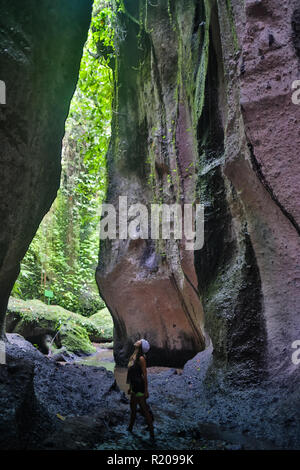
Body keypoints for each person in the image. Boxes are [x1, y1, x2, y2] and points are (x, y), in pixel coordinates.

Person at [126, 338, 154, 440]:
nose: (138, 340)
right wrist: (129, 387)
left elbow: (145, 375)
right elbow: (130, 373)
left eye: (140, 341)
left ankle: (152, 433)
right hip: (134, 386)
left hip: (140, 387)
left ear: (141, 346)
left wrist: (146, 390)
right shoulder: (133, 356)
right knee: (132, 408)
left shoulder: (141, 358)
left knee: (144, 410)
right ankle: (129, 429)